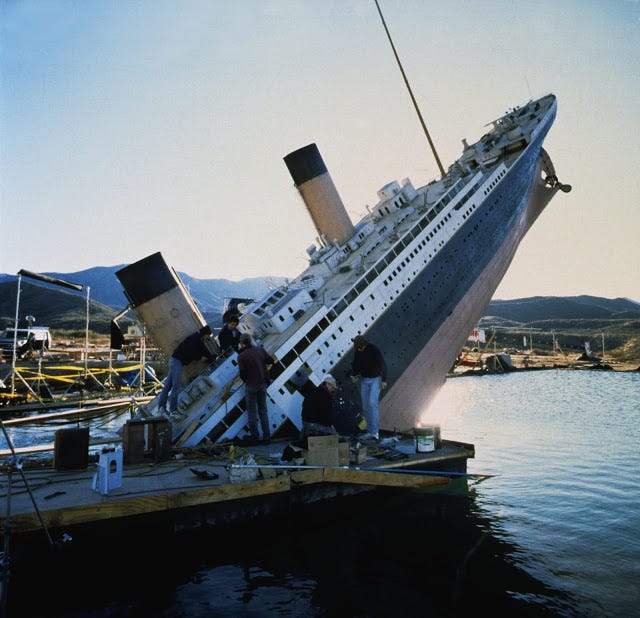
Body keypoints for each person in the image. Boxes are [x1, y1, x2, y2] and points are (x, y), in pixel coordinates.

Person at [157, 325, 215, 417]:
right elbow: (191, 352)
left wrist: (210, 357)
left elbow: (203, 349)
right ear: (205, 334)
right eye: (208, 336)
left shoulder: (196, 339)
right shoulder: (195, 339)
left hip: (174, 361)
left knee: (167, 386)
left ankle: (161, 407)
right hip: (177, 362)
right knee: (176, 386)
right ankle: (173, 410)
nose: (208, 338)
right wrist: (200, 357)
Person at [237, 333, 274, 442]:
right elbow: (271, 361)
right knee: (263, 410)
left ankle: (255, 436)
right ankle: (267, 436)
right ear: (250, 340)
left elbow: (242, 373)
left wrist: (247, 380)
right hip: (262, 384)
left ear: (242, 343)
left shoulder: (241, 356)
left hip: (251, 386)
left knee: (252, 411)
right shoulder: (260, 350)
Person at [350, 335, 387, 440]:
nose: (359, 349)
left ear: (364, 344)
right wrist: (355, 375)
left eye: (360, 347)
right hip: (364, 380)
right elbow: (356, 364)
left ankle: (375, 432)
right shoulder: (358, 351)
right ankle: (370, 431)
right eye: (357, 347)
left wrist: (384, 380)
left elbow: (382, 364)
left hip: (376, 379)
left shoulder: (373, 349)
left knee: (372, 403)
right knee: (365, 406)